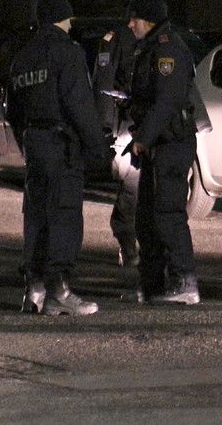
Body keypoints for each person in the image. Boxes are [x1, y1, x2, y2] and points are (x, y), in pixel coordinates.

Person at [8, 0, 111, 316]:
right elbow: (79, 104)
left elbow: (13, 111)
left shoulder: (22, 57)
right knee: (64, 216)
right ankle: (59, 291)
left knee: (36, 216)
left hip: (34, 144)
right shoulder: (67, 53)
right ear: (64, 20)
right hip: (61, 144)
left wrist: (27, 143)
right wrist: (98, 148)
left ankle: (34, 289)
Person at [125, 0, 201, 305]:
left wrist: (143, 138)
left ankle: (185, 282)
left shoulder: (167, 49)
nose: (130, 24)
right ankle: (152, 283)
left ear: (149, 19)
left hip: (171, 143)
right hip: (159, 143)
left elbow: (167, 100)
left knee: (168, 213)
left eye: (135, 19)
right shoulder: (151, 47)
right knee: (146, 217)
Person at [91, 23, 139, 268]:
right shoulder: (118, 38)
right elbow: (105, 81)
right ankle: (130, 246)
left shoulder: (159, 40)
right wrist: (105, 126)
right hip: (131, 126)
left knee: (137, 189)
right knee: (133, 185)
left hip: (142, 125)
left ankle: (133, 248)